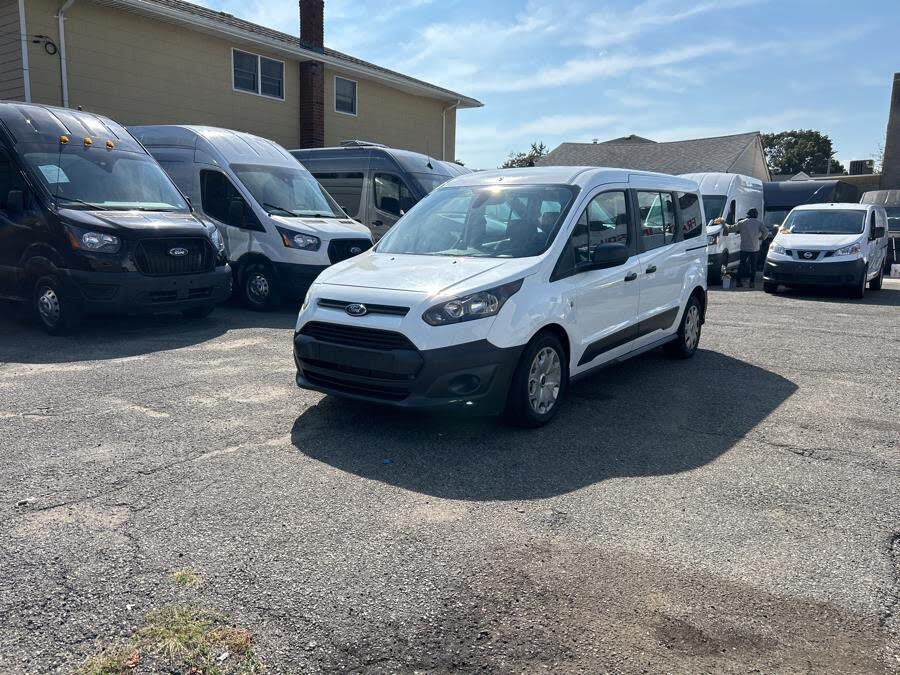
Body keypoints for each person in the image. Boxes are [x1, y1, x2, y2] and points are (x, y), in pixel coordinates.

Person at [728, 208, 769, 288]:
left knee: (741, 265)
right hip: (754, 248)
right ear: (756, 215)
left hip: (744, 248)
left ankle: (738, 282)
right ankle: (752, 282)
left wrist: (723, 224)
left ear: (748, 214)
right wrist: (762, 237)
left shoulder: (742, 222)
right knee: (753, 266)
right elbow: (766, 232)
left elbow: (732, 228)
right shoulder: (759, 223)